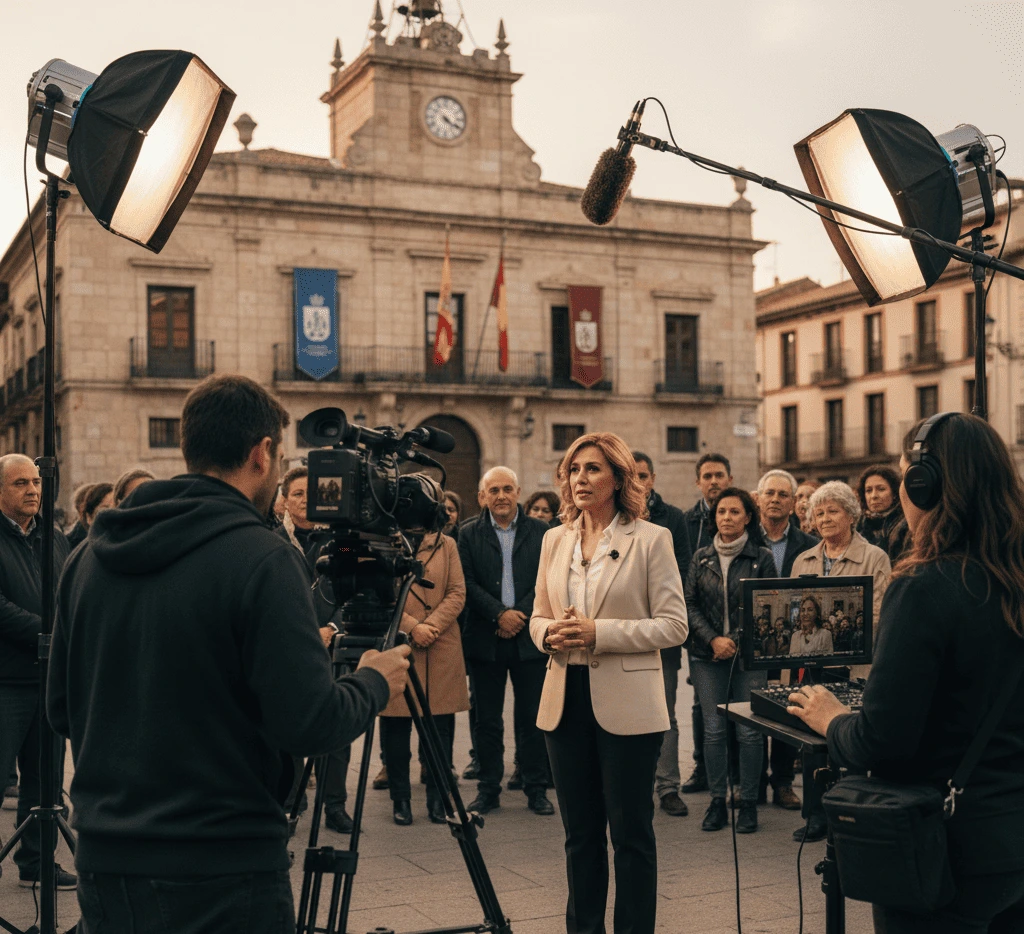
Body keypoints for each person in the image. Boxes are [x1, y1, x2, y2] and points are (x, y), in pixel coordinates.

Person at [46, 375, 411, 934]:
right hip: (222, 867)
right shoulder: (263, 559)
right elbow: (310, 723)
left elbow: (62, 712)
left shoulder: (88, 559)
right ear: (262, 453)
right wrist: (373, 681)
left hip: (105, 861)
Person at [788, 412, 1024, 934]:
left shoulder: (923, 586)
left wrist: (831, 719)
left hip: (945, 848)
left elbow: (881, 740)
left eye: (904, 477)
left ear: (925, 484)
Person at [530, 431, 687, 934]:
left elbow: (674, 625)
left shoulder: (651, 538)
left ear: (619, 479)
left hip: (629, 705)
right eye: (574, 470)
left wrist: (600, 632)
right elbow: (536, 614)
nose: (580, 479)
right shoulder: (554, 539)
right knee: (579, 835)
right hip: (564, 699)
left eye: (593, 469)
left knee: (631, 834)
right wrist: (547, 633)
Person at [789, 479, 891, 842]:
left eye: (833, 510)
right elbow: (792, 613)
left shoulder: (874, 557)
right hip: (812, 663)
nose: (825, 518)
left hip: (855, 664)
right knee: (812, 739)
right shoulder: (804, 559)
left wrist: (838, 630)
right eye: (819, 512)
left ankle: (850, 812)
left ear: (851, 515)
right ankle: (815, 816)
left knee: (849, 735)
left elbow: (878, 612)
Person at [458, 467, 554, 816]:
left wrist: (519, 616)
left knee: (532, 718)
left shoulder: (542, 533)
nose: (501, 496)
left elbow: (547, 581)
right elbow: (466, 584)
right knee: (487, 720)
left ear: (518, 492)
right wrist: (499, 614)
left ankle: (536, 788)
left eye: (507, 489)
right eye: (493, 490)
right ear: (482, 496)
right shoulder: (467, 534)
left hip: (529, 638)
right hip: (486, 638)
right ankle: (488, 789)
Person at [685, 487, 778, 834]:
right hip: (706, 656)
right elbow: (689, 603)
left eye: (734, 512)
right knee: (713, 731)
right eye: (721, 511)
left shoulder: (762, 557)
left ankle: (749, 803)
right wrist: (713, 640)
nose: (726, 517)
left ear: (748, 517)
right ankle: (716, 802)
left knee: (750, 733)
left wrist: (734, 642)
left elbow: (767, 605)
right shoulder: (701, 558)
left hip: (749, 659)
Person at [0, 454, 74, 888]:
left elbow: (67, 592)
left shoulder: (53, 536)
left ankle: (37, 865)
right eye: (19, 483)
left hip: (47, 680)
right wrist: (47, 633)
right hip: (5, 681)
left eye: (36, 482)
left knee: (44, 786)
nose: (32, 490)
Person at [274, 466, 354, 835]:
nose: (305, 502)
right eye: (297, 495)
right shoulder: (271, 540)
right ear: (284, 501)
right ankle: (289, 803)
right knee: (286, 729)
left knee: (336, 728)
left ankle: (334, 804)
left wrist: (332, 628)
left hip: (334, 646)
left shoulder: (342, 540)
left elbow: (353, 590)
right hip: (289, 651)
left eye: (312, 494)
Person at [379, 502, 468, 826]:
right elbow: (381, 595)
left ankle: (438, 798)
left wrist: (431, 626)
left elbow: (457, 592)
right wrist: (412, 626)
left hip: (441, 643)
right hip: (400, 642)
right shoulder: (385, 540)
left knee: (439, 729)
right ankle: (400, 798)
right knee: (396, 729)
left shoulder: (448, 545)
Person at [632, 450, 692, 818]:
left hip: (661, 633)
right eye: (631, 475)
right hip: (623, 632)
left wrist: (655, 609)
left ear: (652, 478)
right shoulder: (615, 517)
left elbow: (681, 570)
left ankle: (668, 785)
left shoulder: (674, 519)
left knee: (664, 711)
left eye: (643, 475)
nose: (637, 481)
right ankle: (636, 785)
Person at [756, 468, 818, 811]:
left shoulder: (808, 545)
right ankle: (748, 783)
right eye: (770, 493)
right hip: (755, 639)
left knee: (786, 710)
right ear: (759, 498)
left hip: (794, 641)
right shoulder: (745, 540)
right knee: (748, 710)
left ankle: (782, 783)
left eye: (783, 495)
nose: (776, 500)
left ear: (794, 503)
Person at [680, 453, 733, 796]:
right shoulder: (686, 522)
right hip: (699, 629)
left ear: (729, 479)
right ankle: (703, 767)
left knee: (742, 707)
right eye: (707, 476)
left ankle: (740, 775)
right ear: (697, 482)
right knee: (703, 704)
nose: (713, 481)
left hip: (734, 629)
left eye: (719, 475)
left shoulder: (740, 513)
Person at [856, 464, 908, 561]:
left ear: (894, 494)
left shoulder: (905, 525)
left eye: (881, 489)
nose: (874, 496)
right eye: (868, 490)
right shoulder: (857, 527)